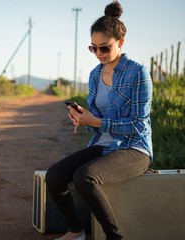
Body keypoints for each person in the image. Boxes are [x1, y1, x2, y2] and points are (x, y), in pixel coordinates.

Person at [45, 1, 153, 240]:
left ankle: (115, 237)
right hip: (102, 144)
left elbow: (138, 125)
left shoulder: (138, 73)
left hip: (134, 147)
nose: (98, 54)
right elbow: (98, 115)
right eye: (93, 48)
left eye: (104, 48)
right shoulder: (94, 74)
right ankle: (76, 231)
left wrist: (97, 123)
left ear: (120, 43)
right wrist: (82, 116)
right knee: (53, 176)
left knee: (84, 177)